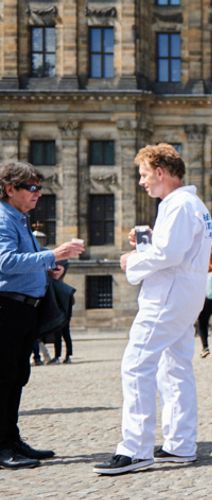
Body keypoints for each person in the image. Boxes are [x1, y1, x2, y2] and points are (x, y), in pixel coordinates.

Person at [94, 144, 212, 475]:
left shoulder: (177, 207)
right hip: (186, 294)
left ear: (161, 172)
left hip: (168, 296)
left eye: (145, 175)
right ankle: (180, 444)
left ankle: (135, 449)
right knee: (174, 367)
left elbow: (168, 256)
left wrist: (132, 260)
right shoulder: (191, 205)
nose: (142, 182)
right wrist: (145, 241)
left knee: (136, 365)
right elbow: (171, 248)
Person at [0, 160, 85, 469]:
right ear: (11, 189)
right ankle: (1, 446)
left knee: (16, 377)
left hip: (23, 309)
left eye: (39, 187)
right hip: (6, 308)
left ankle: (11, 439)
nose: (38, 194)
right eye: (32, 188)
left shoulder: (20, 218)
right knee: (4, 378)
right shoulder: (2, 219)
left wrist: (49, 269)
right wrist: (54, 253)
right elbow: (5, 262)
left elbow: (25, 260)